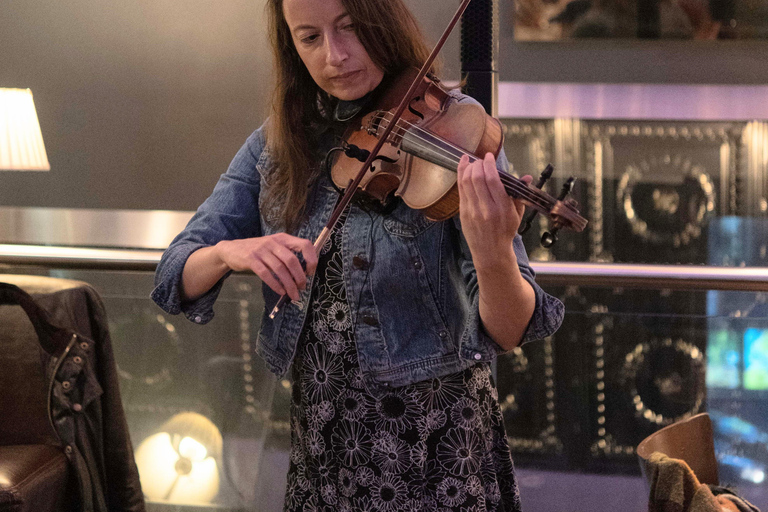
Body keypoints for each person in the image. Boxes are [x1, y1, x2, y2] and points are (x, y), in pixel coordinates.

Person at [151, 0, 565, 509]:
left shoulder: (456, 128)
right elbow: (174, 273)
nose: (335, 56)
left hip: (435, 450)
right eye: (310, 38)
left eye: (349, 28)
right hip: (323, 446)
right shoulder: (275, 147)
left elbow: (511, 328)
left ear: (382, 23)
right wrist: (233, 252)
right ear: (290, 46)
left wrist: (494, 251)